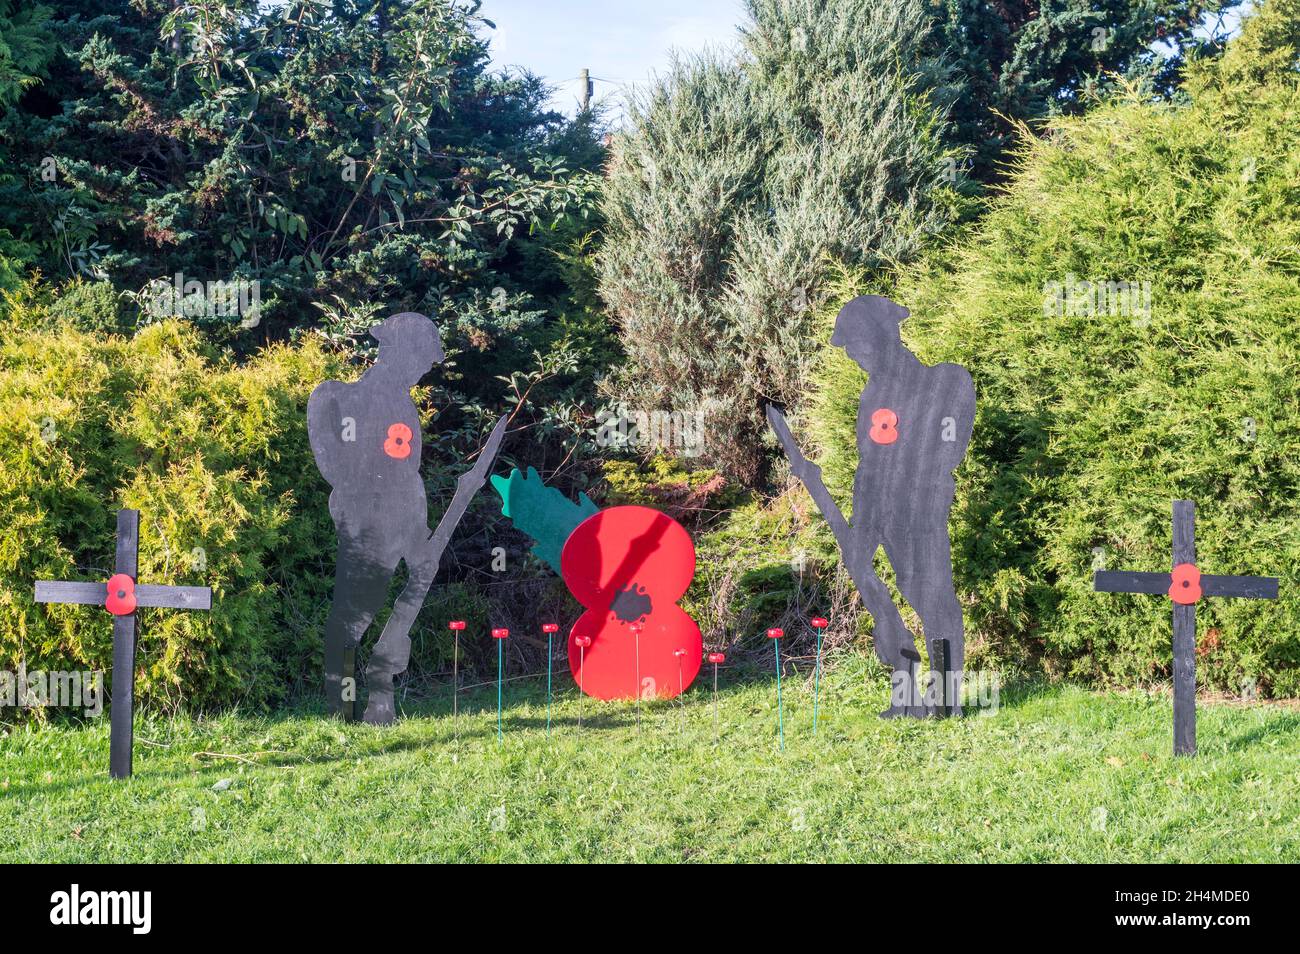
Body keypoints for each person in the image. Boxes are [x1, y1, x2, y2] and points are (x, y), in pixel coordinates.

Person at [770, 295, 974, 716]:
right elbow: (869, 464)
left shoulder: (944, 383)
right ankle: (906, 696)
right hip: (875, 512)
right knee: (881, 601)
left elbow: (943, 456)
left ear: (885, 337)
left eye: (860, 346)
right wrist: (860, 528)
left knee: (933, 600)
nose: (857, 357)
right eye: (851, 350)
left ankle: (946, 700)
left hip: (919, 513)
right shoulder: (872, 395)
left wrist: (918, 500)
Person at [307, 312, 444, 725]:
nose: (425, 368)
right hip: (372, 523)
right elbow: (351, 473)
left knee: (394, 605)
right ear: (402, 352)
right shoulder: (353, 399)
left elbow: (406, 472)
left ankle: (380, 688)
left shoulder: (399, 400)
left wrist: (417, 531)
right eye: (422, 357)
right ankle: (341, 707)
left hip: (405, 520)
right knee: (355, 614)